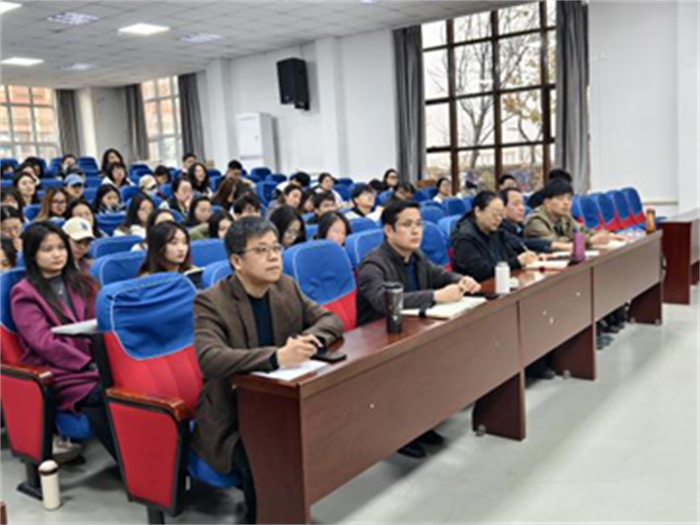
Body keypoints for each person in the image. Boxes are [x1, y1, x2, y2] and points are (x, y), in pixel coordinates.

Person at [191, 216, 343, 524]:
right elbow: (210, 358)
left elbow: (330, 320)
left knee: (331, 429)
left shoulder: (286, 286)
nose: (274, 257)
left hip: (282, 402)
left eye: (276, 248)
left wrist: (306, 340)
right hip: (231, 414)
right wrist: (276, 357)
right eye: (261, 250)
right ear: (237, 261)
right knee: (264, 456)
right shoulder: (211, 301)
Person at [356, 200, 480, 458]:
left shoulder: (417, 256)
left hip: (412, 330)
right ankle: (399, 434)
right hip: (379, 340)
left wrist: (461, 280)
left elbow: (440, 275)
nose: (416, 231)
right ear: (388, 230)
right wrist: (435, 295)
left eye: (419, 224)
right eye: (407, 225)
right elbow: (383, 300)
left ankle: (420, 425)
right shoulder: (373, 264)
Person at [10, 222, 116, 460]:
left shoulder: (83, 282)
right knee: (102, 393)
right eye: (47, 249)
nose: (57, 254)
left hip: (94, 360)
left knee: (127, 384)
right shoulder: (24, 292)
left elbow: (100, 322)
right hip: (58, 369)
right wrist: (87, 363)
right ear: (32, 254)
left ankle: (145, 461)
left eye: (60, 247)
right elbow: (43, 342)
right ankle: (131, 466)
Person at [451, 191, 540, 282]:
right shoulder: (464, 238)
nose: (498, 219)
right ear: (478, 211)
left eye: (501, 215)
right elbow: (480, 272)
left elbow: (510, 255)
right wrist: (516, 262)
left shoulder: (496, 232)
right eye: (495, 214)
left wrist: (527, 258)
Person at [524, 179, 621, 247]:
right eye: (560, 199)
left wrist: (606, 235)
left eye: (569, 199)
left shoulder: (565, 216)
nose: (566, 203)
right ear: (547, 202)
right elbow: (554, 243)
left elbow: (582, 231)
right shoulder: (535, 220)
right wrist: (589, 240)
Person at [500, 188, 572, 254]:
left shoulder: (519, 227)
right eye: (515, 204)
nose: (521, 208)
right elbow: (523, 243)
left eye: (522, 204)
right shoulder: (500, 229)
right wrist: (559, 245)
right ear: (502, 208)